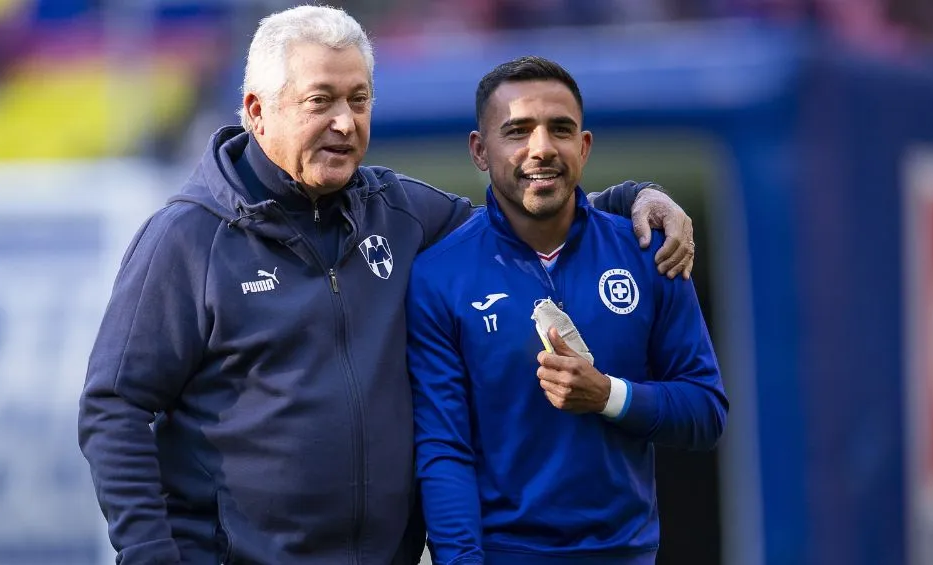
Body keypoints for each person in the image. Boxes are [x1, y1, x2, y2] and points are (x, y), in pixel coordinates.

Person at [77, 6, 697, 565]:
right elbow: (114, 407)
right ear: (257, 110)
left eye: (360, 99)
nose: (345, 122)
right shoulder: (186, 239)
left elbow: (517, 221)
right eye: (321, 100)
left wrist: (629, 198)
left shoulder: (400, 212)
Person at [406, 56, 729, 565]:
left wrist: (609, 395)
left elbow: (706, 411)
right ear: (479, 150)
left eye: (560, 129)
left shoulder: (649, 251)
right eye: (517, 131)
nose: (541, 148)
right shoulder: (437, 276)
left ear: (584, 146)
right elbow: (445, 449)